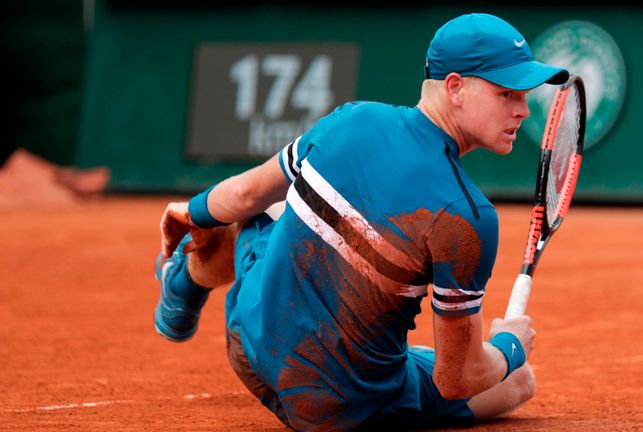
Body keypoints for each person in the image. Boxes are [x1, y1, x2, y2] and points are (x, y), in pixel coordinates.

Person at [154, 12, 568, 431]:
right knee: (518, 380)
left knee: (260, 206)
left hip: (250, 353)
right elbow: (456, 378)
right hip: (345, 415)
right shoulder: (468, 218)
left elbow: (245, 193)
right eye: (507, 93)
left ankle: (183, 283)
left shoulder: (352, 120)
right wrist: (511, 345)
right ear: (455, 88)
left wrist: (191, 213)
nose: (524, 110)